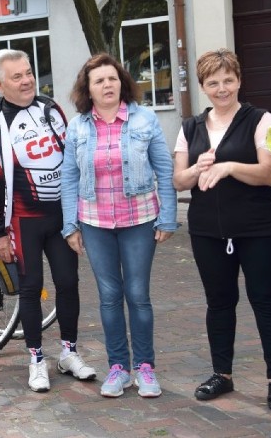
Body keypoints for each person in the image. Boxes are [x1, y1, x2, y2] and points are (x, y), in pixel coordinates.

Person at [173, 48, 271, 410]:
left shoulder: (260, 119)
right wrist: (197, 169)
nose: (222, 88)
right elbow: (179, 180)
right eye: (213, 82)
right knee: (219, 303)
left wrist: (226, 167)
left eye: (228, 80)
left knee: (266, 302)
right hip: (209, 230)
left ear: (239, 80)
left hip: (260, 229)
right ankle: (221, 374)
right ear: (203, 86)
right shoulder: (190, 127)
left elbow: (268, 173)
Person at [0, 49, 95, 393]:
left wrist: (79, 213)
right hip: (22, 221)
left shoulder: (51, 109)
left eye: (29, 72)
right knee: (30, 291)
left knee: (68, 283)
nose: (27, 80)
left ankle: (69, 353)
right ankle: (36, 360)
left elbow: (73, 158)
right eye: (17, 76)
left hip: (59, 217)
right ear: (0, 84)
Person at [60, 53, 178, 399]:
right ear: (89, 89)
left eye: (112, 78)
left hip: (139, 219)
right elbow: (69, 177)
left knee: (138, 295)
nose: (107, 85)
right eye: (99, 81)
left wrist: (167, 215)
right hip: (94, 222)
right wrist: (71, 225)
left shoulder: (145, 119)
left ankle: (144, 367)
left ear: (122, 82)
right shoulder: (78, 126)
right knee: (110, 296)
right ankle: (118, 368)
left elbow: (164, 169)